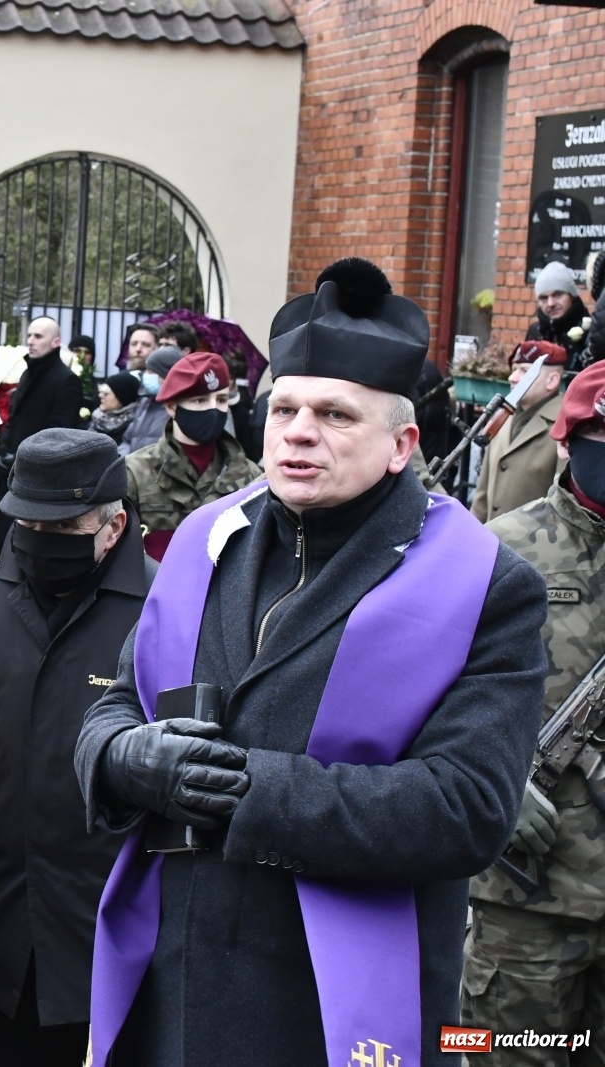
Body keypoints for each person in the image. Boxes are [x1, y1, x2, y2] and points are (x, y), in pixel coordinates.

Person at [74, 257, 548, 1067]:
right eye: (284, 407)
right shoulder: (202, 541)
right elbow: (119, 703)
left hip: (325, 1007)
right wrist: (125, 758)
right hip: (175, 990)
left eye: (335, 414)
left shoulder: (485, 581)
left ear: (401, 444)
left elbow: (467, 807)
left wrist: (255, 791)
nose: (298, 431)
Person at [0, 428, 151, 1067]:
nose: (39, 542)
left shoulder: (163, 607)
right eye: (26, 525)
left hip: (113, 907)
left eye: (64, 530)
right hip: (9, 902)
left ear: (114, 528)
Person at [464, 361, 605, 1059]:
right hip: (523, 901)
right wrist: (490, 778)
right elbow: (424, 694)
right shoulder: (497, 548)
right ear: (568, 442)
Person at [123, 350, 262, 560]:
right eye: (200, 400)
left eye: (221, 399)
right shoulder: (135, 472)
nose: (214, 409)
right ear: (171, 406)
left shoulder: (251, 477)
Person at [0, 316, 85, 543]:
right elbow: (15, 418)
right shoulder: (27, 373)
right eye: (29, 335)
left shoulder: (66, 380)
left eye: (38, 336)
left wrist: (23, 456)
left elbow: (61, 432)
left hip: (38, 479)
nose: (30, 341)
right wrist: (4, 448)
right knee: (4, 540)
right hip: (11, 472)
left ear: (55, 342)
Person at [470, 340, 568, 523]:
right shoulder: (503, 419)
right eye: (514, 369)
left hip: (534, 547)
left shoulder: (564, 425)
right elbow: (482, 494)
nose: (512, 377)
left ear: (552, 380)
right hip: (491, 541)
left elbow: (564, 504)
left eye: (524, 371)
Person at [116, 345, 184, 457]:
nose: (146, 375)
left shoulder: (177, 409)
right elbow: (127, 439)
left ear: (167, 376)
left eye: (152, 371)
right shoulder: (144, 401)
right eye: (146, 370)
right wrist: (123, 461)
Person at [528, 260, 589, 370]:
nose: (550, 304)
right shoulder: (535, 332)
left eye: (558, 295)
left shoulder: (590, 332)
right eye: (544, 298)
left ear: (572, 296)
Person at [89, 372, 142, 444]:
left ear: (122, 398)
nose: (100, 395)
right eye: (100, 392)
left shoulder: (132, 425)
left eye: (106, 393)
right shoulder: (98, 418)